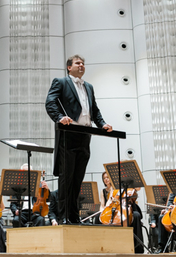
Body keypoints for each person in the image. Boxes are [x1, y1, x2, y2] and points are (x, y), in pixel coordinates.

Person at [45, 54, 112, 224]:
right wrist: (60, 117)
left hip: (85, 136)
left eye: (83, 63)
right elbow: (50, 103)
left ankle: (74, 217)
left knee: (77, 179)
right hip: (68, 134)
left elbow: (94, 110)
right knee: (66, 179)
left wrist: (102, 124)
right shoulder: (60, 82)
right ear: (69, 67)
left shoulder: (89, 86)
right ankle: (63, 217)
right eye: (77, 63)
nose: (81, 65)